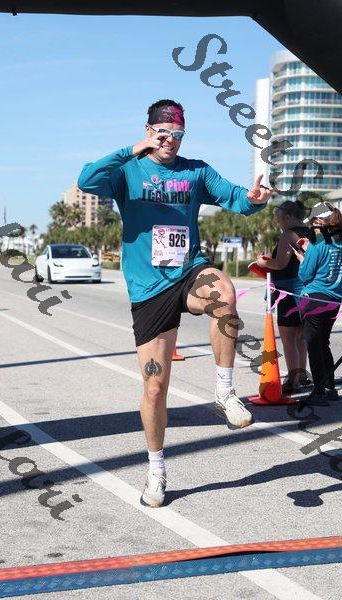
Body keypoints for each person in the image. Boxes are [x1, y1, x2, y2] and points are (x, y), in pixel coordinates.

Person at [78, 99, 272, 507]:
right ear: (149, 130)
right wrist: (132, 150)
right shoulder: (127, 171)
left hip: (188, 271)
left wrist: (255, 198)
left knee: (224, 293)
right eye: (163, 133)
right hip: (149, 289)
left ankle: (224, 392)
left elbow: (236, 198)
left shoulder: (195, 171)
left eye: (177, 134)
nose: (170, 140)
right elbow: (87, 179)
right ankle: (156, 469)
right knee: (155, 387)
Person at [256, 201, 315, 393]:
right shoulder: (310, 232)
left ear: (288, 217)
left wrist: (263, 263)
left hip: (289, 290)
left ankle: (293, 379)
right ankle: (301, 375)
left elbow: (280, 264)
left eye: (279, 219)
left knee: (288, 337)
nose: (278, 223)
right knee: (301, 337)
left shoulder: (289, 234)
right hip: (306, 288)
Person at [291, 201, 342, 406]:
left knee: (313, 343)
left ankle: (319, 392)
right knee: (324, 342)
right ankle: (330, 388)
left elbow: (305, 275)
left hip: (314, 298)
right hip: (335, 299)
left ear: (320, 223)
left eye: (312, 223)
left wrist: (302, 258)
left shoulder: (317, 244)